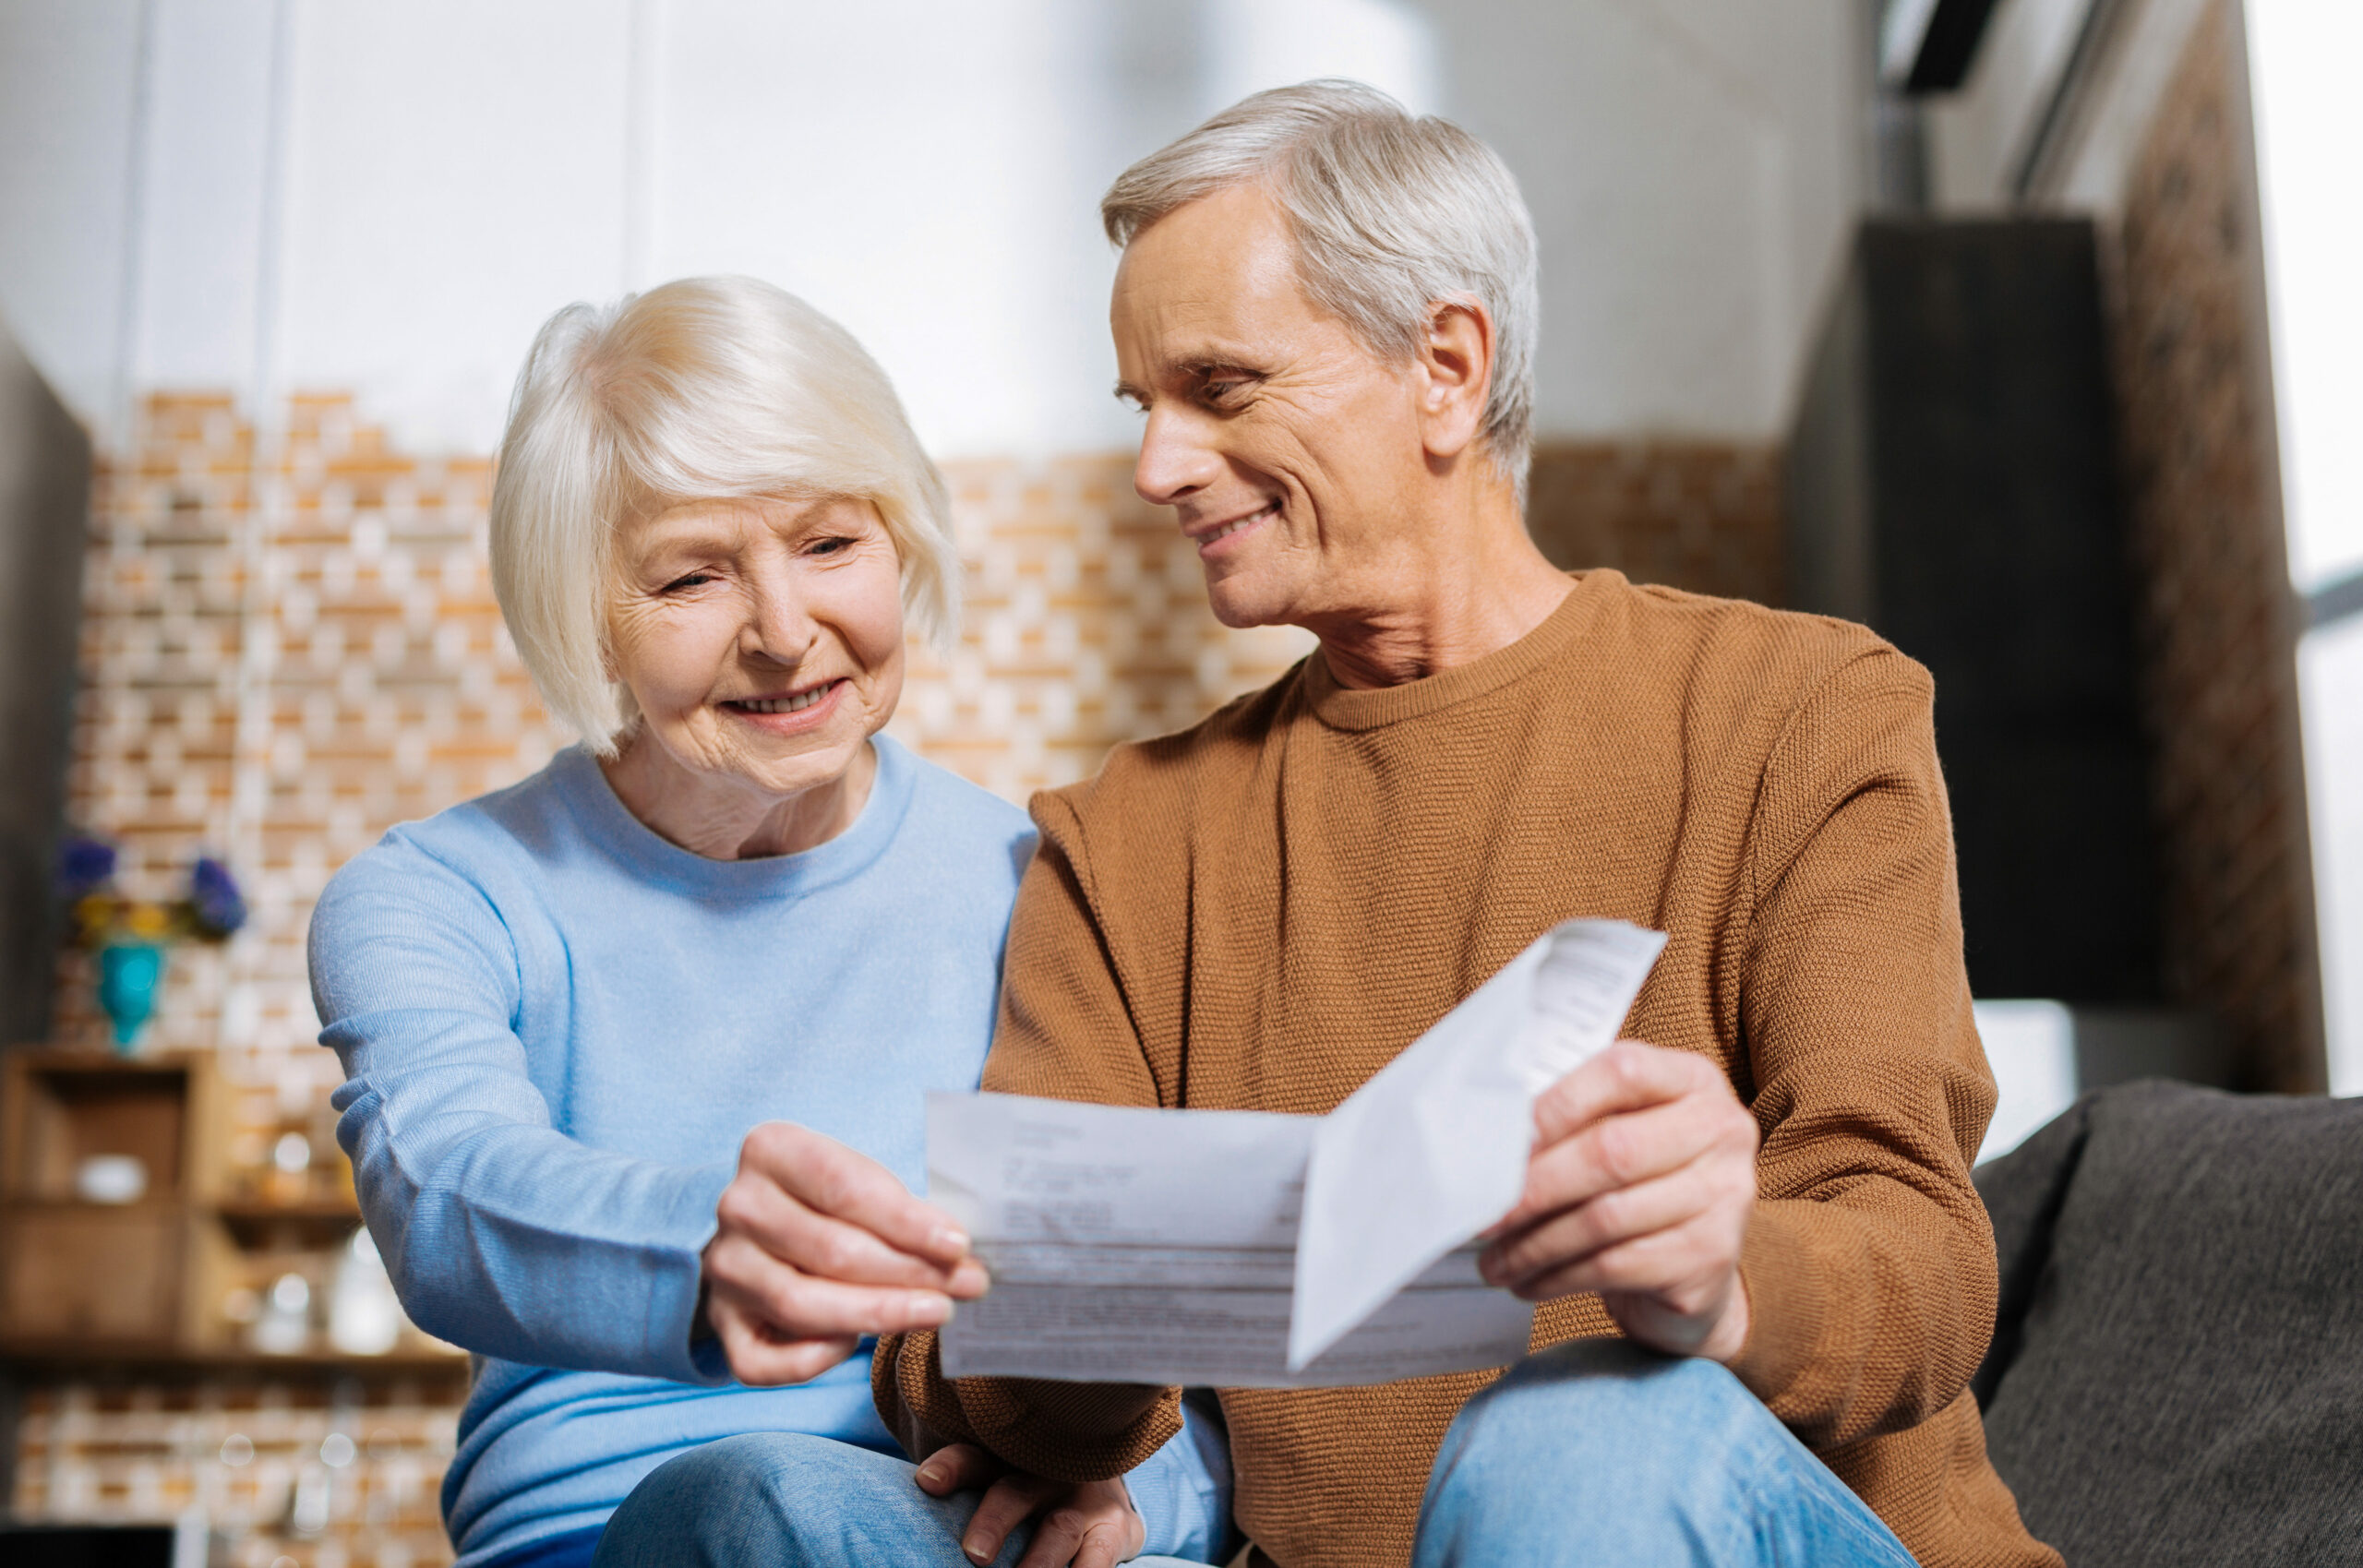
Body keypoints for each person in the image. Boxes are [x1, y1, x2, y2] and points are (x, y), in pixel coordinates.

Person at [603, 86, 2066, 1568]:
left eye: (1219, 388)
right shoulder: (1130, 837)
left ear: (1443, 369)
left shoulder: (1796, 708)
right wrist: (1060, 1333)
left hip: (1733, 1521)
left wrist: (1724, 1276)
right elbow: (958, 1374)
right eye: (1143, 408)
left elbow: (1922, 1260)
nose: (1157, 467)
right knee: (739, 1510)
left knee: (1574, 1428)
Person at [308, 277, 1229, 1568]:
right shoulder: (440, 895)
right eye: (690, 576)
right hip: (621, 1529)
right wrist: (703, 1250)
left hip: (983, 1531)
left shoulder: (1049, 878)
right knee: (760, 1507)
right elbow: (445, 1192)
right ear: (587, 616)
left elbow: (1170, 1304)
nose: (788, 635)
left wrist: (1138, 1494)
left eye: (831, 546)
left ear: (904, 546)